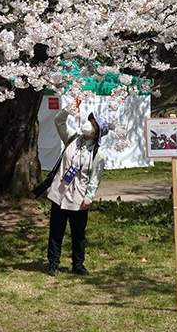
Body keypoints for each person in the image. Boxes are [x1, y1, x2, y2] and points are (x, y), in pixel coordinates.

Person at [45, 102, 109, 276]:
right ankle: (53, 262)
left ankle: (78, 264)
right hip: (60, 191)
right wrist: (69, 109)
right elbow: (59, 121)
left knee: (78, 232)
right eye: (90, 121)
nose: (89, 124)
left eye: (94, 125)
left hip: (78, 196)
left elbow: (95, 177)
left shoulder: (98, 153)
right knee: (56, 229)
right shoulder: (72, 138)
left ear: (96, 133)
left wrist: (89, 197)